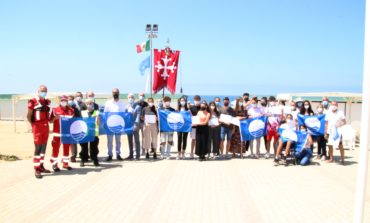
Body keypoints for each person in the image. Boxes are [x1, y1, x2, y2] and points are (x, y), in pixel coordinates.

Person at [27, 85, 52, 179]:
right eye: (42, 90)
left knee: (43, 148)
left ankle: (41, 166)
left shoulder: (46, 102)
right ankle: (36, 168)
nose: (44, 92)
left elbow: (49, 116)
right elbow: (28, 115)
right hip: (37, 127)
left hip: (46, 127)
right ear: (38, 91)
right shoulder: (33, 101)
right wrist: (33, 125)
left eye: (45, 90)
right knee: (37, 149)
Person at [49, 95, 75, 171]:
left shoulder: (71, 110)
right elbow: (50, 121)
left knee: (66, 148)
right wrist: (55, 118)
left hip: (67, 134)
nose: (63, 102)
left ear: (67, 101)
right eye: (62, 100)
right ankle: (54, 164)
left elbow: (73, 122)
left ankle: (65, 164)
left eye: (65, 100)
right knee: (55, 149)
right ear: (59, 101)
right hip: (57, 134)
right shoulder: (54, 110)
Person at [104, 88, 126, 161]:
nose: (115, 93)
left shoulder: (122, 103)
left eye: (116, 92)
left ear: (119, 93)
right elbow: (105, 114)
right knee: (109, 141)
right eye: (114, 92)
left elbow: (123, 114)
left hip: (118, 125)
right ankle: (110, 155)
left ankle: (118, 154)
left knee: (118, 141)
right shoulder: (108, 103)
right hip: (110, 125)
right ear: (112, 93)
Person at [80, 98, 100, 167]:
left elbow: (98, 123)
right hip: (84, 133)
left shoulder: (96, 112)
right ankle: (83, 160)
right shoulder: (82, 112)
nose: (89, 105)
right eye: (87, 103)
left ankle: (95, 160)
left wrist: (97, 117)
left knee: (94, 148)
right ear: (85, 105)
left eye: (90, 103)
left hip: (94, 133)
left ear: (93, 104)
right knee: (83, 148)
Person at [125, 93, 141, 160]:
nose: (130, 98)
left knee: (137, 141)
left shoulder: (137, 106)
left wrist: (136, 124)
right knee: (130, 141)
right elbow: (125, 116)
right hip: (128, 126)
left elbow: (138, 116)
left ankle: (137, 155)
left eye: (131, 97)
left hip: (135, 126)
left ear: (134, 99)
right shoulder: (126, 107)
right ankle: (131, 155)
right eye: (129, 97)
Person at [67, 95, 81, 163]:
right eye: (69, 100)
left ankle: (73, 156)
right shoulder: (66, 108)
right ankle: (66, 156)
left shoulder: (76, 109)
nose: (70, 101)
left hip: (74, 127)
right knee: (66, 142)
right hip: (66, 127)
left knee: (73, 142)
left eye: (71, 100)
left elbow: (79, 117)